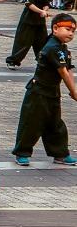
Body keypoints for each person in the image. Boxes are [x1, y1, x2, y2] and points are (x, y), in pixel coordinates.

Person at [12, 13, 76, 166]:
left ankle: (60, 153)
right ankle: (22, 152)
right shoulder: (52, 47)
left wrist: (74, 89)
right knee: (31, 123)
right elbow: (63, 72)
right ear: (55, 28)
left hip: (52, 92)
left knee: (55, 124)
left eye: (73, 31)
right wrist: (73, 92)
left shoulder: (62, 48)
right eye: (67, 29)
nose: (71, 33)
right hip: (38, 92)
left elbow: (69, 69)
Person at [6, 0, 52, 69]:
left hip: (40, 20)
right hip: (29, 18)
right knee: (23, 42)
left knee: (42, 41)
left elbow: (47, 0)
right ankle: (13, 61)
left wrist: (44, 10)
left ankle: (42, 61)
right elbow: (29, 4)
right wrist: (40, 11)